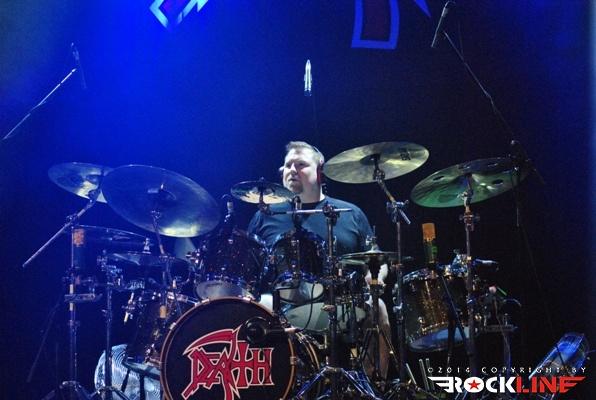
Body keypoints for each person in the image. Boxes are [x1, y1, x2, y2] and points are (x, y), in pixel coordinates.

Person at [248, 140, 392, 382]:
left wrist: (374, 279)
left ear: (320, 171)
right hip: (281, 305)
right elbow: (249, 271)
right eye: (287, 165)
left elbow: (378, 260)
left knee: (379, 308)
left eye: (301, 164)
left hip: (341, 303)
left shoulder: (349, 213)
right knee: (252, 308)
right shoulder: (265, 216)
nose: (292, 170)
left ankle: (372, 386)